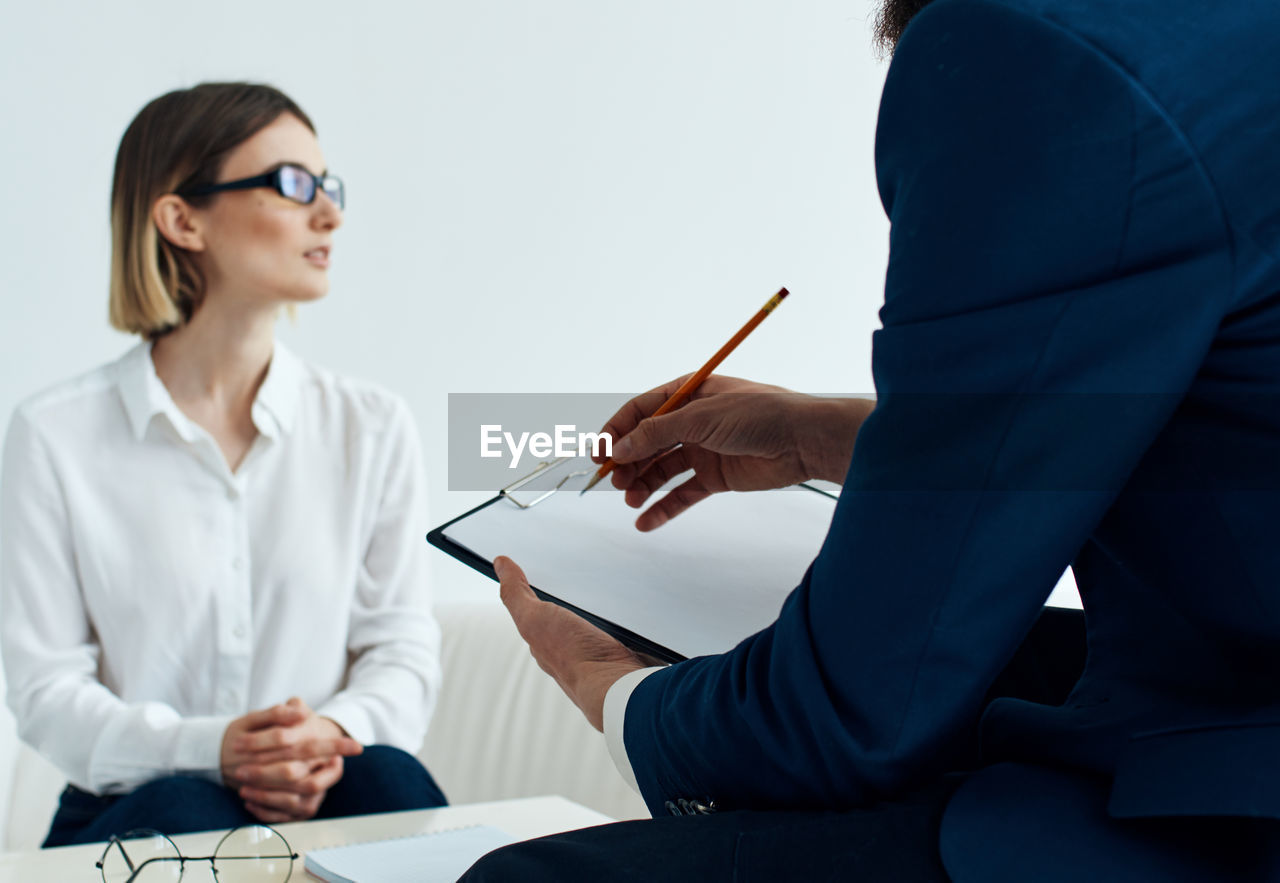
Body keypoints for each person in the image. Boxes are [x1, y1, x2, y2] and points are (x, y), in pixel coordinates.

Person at [463, 0, 1280, 878]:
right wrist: (827, 435)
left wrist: (618, 691)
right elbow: (1211, 423)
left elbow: (849, 716)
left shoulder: (1034, 46)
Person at [0, 82, 447, 847]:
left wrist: (325, 734)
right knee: (188, 812)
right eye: (292, 185)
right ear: (181, 218)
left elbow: (400, 651)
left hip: (329, 783)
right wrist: (209, 749)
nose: (329, 213)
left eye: (328, 186)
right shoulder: (55, 434)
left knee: (390, 782)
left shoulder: (370, 426)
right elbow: (46, 689)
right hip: (134, 801)